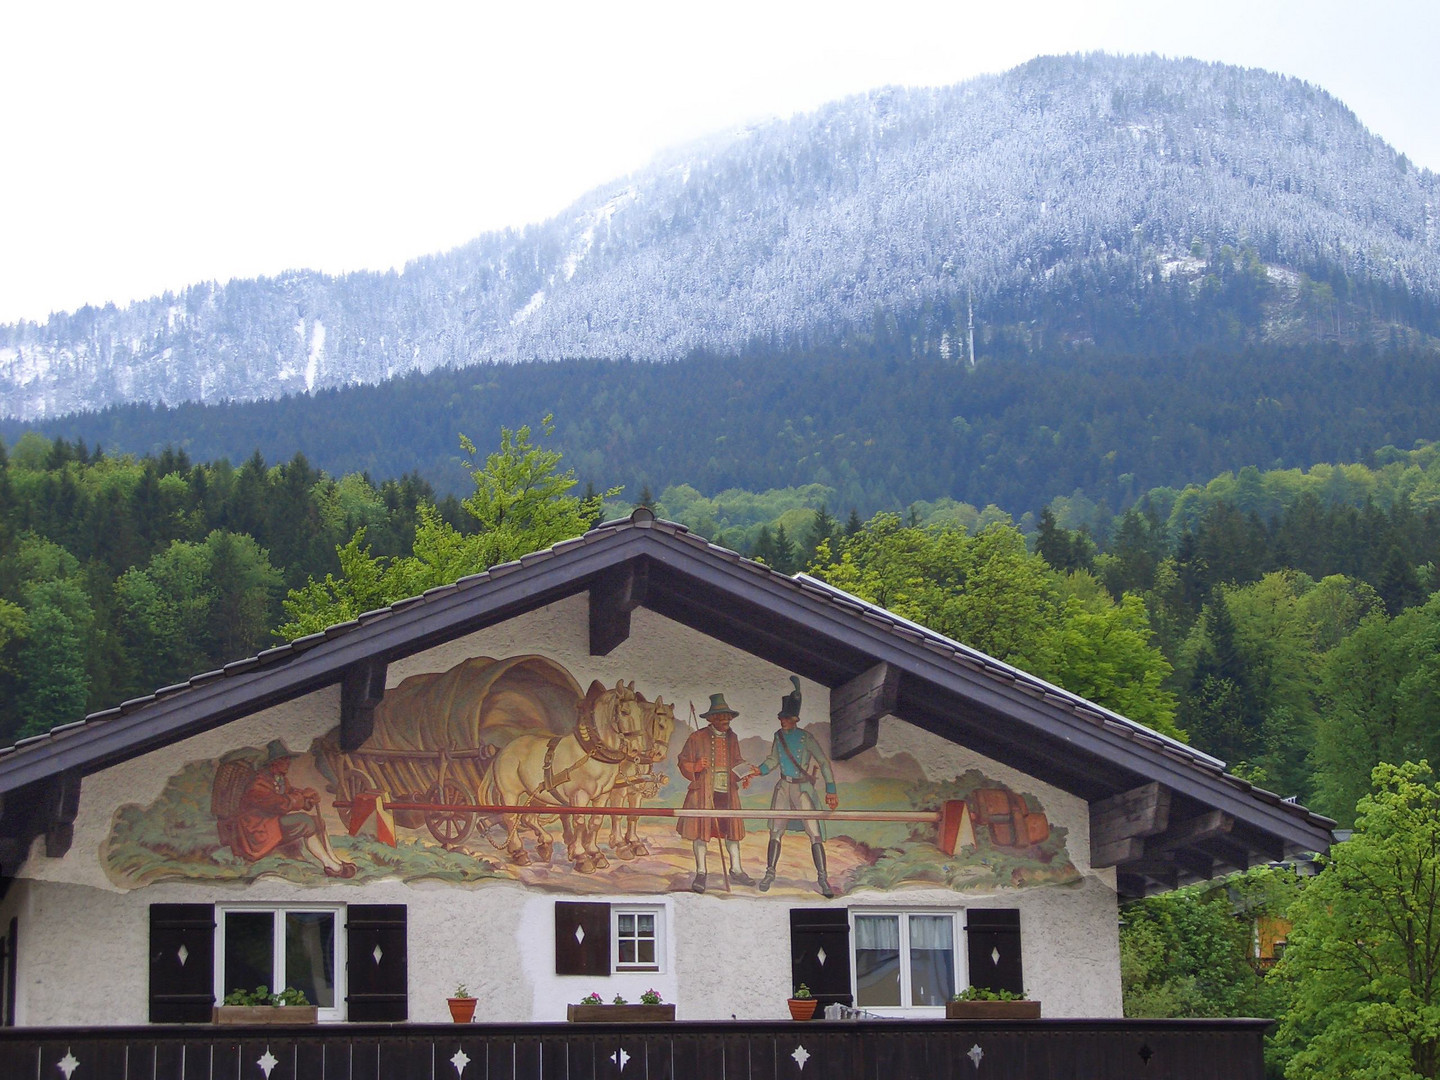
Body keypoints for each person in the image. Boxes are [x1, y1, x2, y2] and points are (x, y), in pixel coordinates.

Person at [749, 677, 839, 897]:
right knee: (775, 831)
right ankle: (770, 872)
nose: (783, 721)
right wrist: (758, 770)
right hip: (784, 787)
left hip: (803, 789)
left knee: (814, 834)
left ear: (795, 719)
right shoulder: (778, 737)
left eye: (786, 718)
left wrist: (831, 789)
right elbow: (773, 760)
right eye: (781, 718)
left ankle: (822, 878)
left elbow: (824, 762)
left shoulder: (806, 738)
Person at [227, 741, 357, 878]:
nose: (288, 763)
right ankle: (328, 865)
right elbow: (279, 803)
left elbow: (291, 792)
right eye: (284, 759)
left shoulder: (280, 779)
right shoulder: (259, 783)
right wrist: (301, 797)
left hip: (271, 823)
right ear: (274, 763)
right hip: (257, 829)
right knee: (306, 822)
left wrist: (308, 797)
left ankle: (334, 859)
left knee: (318, 821)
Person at [676, 694, 755, 892]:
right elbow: (682, 760)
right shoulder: (697, 737)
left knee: (732, 832)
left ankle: (736, 870)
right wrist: (694, 766)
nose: (725, 721)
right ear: (711, 719)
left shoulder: (732, 738)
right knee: (701, 832)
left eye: (727, 717)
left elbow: (736, 760)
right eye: (721, 717)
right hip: (704, 790)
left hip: (727, 791)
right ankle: (701, 872)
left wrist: (744, 772)